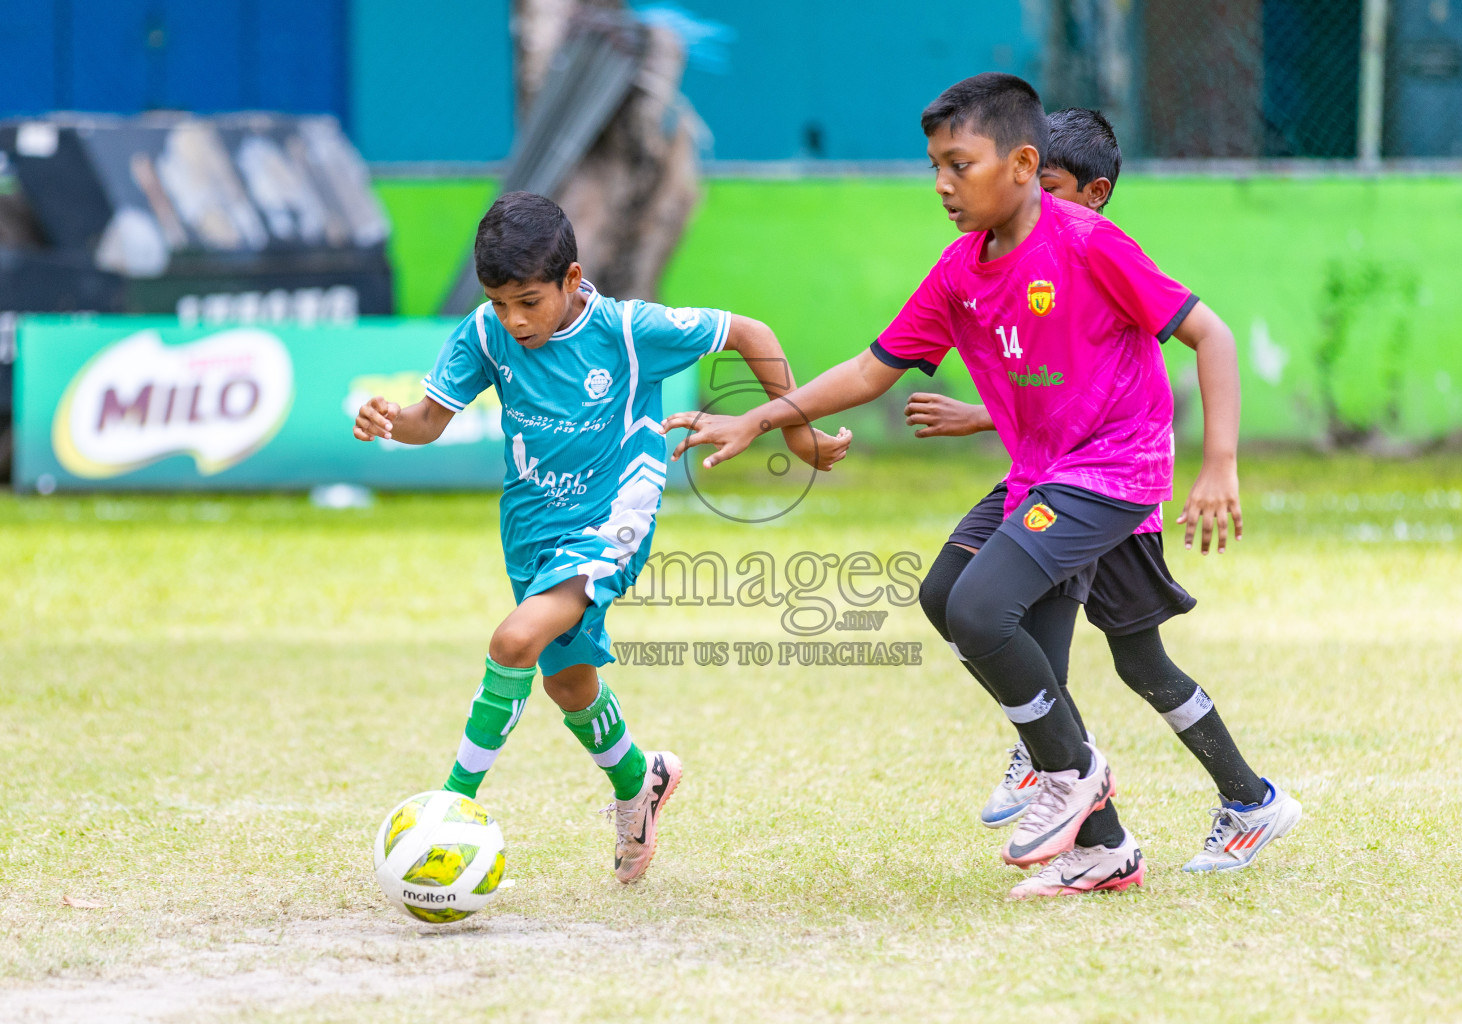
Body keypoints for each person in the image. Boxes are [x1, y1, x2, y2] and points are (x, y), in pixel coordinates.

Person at [662, 74, 1294, 898]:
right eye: (935, 167)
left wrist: (1220, 464)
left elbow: (1209, 334)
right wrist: (765, 417)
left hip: (1113, 471)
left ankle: (1072, 771)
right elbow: (868, 368)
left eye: (959, 165)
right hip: (1043, 471)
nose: (942, 185)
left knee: (987, 609)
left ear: (1024, 163)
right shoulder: (961, 272)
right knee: (946, 592)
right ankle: (1101, 845)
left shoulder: (1088, 241)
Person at [353, 191, 848, 883]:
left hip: (612, 522)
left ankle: (450, 805)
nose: (513, 319)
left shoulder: (627, 330)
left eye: (528, 300)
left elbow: (752, 334)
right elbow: (427, 421)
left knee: (513, 641)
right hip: (530, 526)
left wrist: (797, 433)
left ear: (572, 279)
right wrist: (389, 420)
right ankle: (638, 781)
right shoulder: (484, 333)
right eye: (499, 302)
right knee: (568, 682)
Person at [903, 107, 1301, 885]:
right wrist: (981, 414)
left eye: (1049, 189)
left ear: (1095, 191)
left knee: (1134, 658)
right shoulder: (1021, 258)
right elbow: (1061, 391)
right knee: (992, 605)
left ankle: (1182, 792)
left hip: (1112, 491)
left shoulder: (1095, 255)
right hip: (1059, 479)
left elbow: (1150, 369)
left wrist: (1221, 463)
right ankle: (1084, 795)